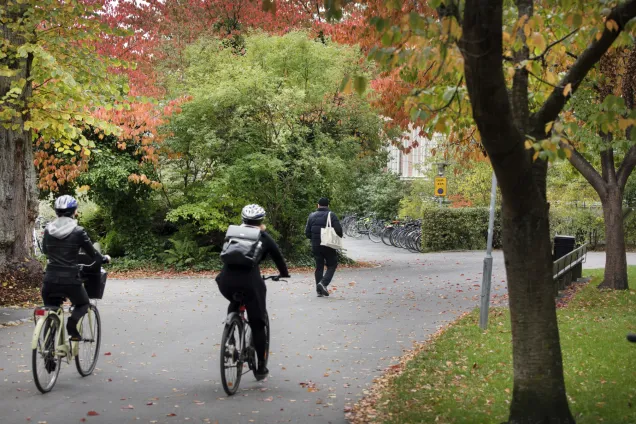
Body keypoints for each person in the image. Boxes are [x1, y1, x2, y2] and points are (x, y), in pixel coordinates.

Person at [215, 204, 290, 380]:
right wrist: (283, 273)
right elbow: (278, 257)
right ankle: (261, 367)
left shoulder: (232, 232)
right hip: (250, 282)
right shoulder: (263, 236)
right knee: (257, 323)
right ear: (261, 220)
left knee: (234, 301)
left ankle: (230, 342)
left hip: (226, 281)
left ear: (243, 218)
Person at [41, 195, 110, 341]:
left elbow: (45, 251)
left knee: (50, 309)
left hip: (50, 280)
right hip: (70, 281)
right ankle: (72, 326)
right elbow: (93, 254)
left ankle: (48, 351)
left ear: (56, 211)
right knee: (84, 303)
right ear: (74, 211)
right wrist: (104, 258)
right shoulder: (78, 231)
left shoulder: (48, 230)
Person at [305, 197, 343, 297]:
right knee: (332, 265)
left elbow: (307, 233)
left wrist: (314, 239)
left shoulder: (311, 216)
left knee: (319, 267)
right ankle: (323, 283)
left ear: (318, 205)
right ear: (328, 205)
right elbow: (339, 230)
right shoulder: (332, 215)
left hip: (316, 245)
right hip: (328, 245)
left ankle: (319, 291)